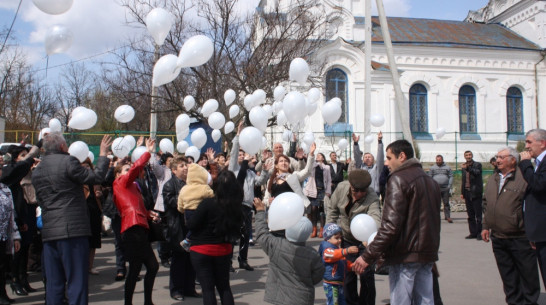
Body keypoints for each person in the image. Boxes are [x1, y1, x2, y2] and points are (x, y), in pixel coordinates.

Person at [353, 139, 441, 305]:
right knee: (425, 300)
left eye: (388, 158)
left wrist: (368, 256)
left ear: (402, 156)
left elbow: (390, 226)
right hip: (426, 253)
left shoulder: (398, 179)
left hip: (404, 255)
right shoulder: (431, 182)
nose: (386, 163)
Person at [31, 133, 112, 305]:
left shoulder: (38, 170)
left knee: (54, 284)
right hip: (72, 231)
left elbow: (40, 199)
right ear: (62, 147)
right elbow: (96, 178)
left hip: (49, 232)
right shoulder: (68, 162)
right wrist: (103, 155)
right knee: (77, 281)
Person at [481, 146, 540, 305]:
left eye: (501, 157)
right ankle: (514, 301)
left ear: (513, 160)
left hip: (520, 237)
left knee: (528, 275)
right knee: (508, 275)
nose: (497, 160)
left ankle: (530, 302)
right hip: (498, 237)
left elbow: (531, 206)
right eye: (497, 156)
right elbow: (487, 203)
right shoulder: (494, 178)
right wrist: (485, 225)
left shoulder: (524, 178)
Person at [186, 169, 244, 305]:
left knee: (208, 289)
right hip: (223, 249)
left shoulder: (207, 203)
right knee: (224, 287)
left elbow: (192, 225)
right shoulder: (236, 207)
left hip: (201, 249)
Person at [113, 138, 160, 305]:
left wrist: (148, 214)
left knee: (147, 267)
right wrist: (146, 151)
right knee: (138, 268)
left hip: (139, 228)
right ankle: (132, 302)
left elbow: (135, 206)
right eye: (125, 170)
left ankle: (146, 301)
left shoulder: (133, 187)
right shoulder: (119, 183)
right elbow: (135, 168)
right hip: (132, 230)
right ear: (118, 174)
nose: (129, 172)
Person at [253, 198, 324, 305]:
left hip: (279, 297)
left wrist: (260, 211)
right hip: (303, 297)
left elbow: (261, 234)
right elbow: (318, 274)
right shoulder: (312, 254)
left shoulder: (277, 245)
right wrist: (306, 280)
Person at [326, 169, 381, 305]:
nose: (359, 194)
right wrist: (330, 236)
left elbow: (376, 219)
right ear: (350, 186)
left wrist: (372, 240)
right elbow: (332, 211)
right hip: (346, 238)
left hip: (364, 242)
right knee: (347, 276)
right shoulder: (341, 188)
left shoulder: (372, 196)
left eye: (363, 191)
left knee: (366, 275)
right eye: (355, 190)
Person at [228, 122, 271, 271]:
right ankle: (228, 262)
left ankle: (243, 260)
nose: (241, 156)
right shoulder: (233, 168)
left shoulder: (250, 172)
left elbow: (259, 181)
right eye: (240, 154)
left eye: (243, 154)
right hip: (234, 206)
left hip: (246, 206)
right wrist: (238, 136)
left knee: (245, 234)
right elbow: (233, 153)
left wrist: (265, 169)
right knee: (232, 235)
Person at [1, 144, 39, 296]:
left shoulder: (30, 173)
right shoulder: (12, 175)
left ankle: (24, 279)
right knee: (17, 250)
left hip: (29, 212)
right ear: (15, 159)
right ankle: (15, 280)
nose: (27, 159)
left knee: (26, 248)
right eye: (23, 155)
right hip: (16, 216)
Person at [162, 156, 200, 301]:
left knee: (191, 259)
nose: (185, 168)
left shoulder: (191, 184)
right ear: (173, 170)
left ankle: (189, 288)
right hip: (177, 228)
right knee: (178, 260)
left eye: (186, 165)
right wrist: (187, 199)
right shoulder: (169, 185)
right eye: (181, 166)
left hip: (190, 227)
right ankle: (176, 290)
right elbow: (171, 203)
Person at [519, 128, 546, 288]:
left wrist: (525, 165)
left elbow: (538, 185)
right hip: (539, 232)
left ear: (542, 143)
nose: (526, 146)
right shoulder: (538, 163)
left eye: (529, 142)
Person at [177, 163, 214, 251]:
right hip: (201, 212)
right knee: (199, 228)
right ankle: (187, 241)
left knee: (193, 228)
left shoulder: (184, 189)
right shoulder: (205, 188)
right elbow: (213, 199)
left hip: (188, 212)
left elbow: (180, 205)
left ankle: (188, 241)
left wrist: (183, 210)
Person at [319, 223, 358, 305]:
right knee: (334, 302)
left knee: (342, 302)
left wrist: (351, 266)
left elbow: (343, 262)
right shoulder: (327, 249)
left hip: (338, 282)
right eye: (336, 238)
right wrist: (346, 251)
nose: (339, 240)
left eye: (340, 237)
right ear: (328, 238)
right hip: (331, 283)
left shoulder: (337, 249)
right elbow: (332, 255)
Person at [0, 171, 21, 305]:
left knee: (2, 266)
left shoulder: (5, 188)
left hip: (3, 235)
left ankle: (2, 294)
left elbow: (11, 215)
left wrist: (15, 236)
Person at [81, 158, 104, 275]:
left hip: (95, 211)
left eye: (87, 166)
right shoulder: (78, 180)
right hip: (83, 213)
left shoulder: (94, 180)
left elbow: (101, 191)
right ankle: (82, 267)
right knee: (84, 241)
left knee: (94, 240)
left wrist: (100, 193)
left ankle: (90, 266)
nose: (86, 168)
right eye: (83, 166)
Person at [303, 152, 331, 238]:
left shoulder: (326, 167)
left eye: (320, 155)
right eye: (317, 155)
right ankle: (314, 228)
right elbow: (309, 164)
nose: (318, 156)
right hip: (313, 190)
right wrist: (307, 156)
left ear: (323, 158)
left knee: (322, 210)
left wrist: (328, 191)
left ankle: (322, 229)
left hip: (322, 190)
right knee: (313, 209)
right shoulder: (313, 165)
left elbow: (329, 179)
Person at [460, 150, 483, 240]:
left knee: (478, 215)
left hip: (476, 192)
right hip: (467, 192)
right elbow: (463, 180)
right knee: (470, 215)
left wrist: (468, 168)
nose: (468, 156)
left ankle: (479, 233)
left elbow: (477, 173)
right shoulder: (464, 167)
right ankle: (473, 232)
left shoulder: (477, 165)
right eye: (466, 155)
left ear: (472, 156)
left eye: (469, 155)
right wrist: (462, 192)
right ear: (464, 157)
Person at [429, 154, 454, 223]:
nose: (438, 161)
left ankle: (448, 216)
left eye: (439, 160)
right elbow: (430, 177)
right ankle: (435, 217)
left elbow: (451, 176)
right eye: (437, 160)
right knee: (436, 203)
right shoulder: (432, 168)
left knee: (446, 203)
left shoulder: (447, 167)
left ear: (442, 160)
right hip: (436, 188)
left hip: (445, 188)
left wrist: (449, 185)